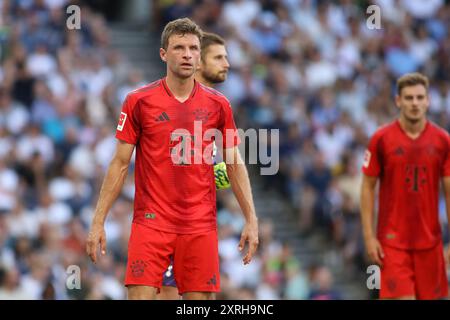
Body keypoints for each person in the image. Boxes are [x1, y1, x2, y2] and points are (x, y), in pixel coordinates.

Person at [86, 18, 259, 300]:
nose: (187, 54)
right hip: (151, 223)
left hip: (199, 226)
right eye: (179, 48)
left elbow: (234, 164)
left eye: (193, 48)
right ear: (163, 54)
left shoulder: (219, 105)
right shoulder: (138, 101)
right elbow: (119, 164)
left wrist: (251, 219)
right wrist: (98, 221)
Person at [360, 72, 450, 300]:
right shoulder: (381, 139)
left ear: (428, 100)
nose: (415, 103)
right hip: (393, 243)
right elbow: (367, 187)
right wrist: (369, 236)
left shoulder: (443, 141)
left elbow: (449, 192)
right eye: (409, 98)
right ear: (398, 101)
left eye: (420, 97)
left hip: (430, 243)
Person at [158, 31, 231, 300]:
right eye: (218, 57)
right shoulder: (177, 102)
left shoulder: (212, 105)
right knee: (168, 293)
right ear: (199, 62)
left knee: (205, 295)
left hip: (199, 221)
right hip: (170, 221)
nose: (226, 64)